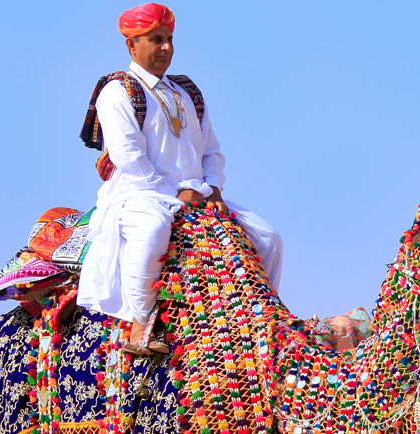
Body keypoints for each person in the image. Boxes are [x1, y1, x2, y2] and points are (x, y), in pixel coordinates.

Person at [77, 3, 284, 355]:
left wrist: (213, 187)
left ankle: (264, 320)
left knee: (267, 237)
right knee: (154, 230)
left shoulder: (187, 92)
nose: (166, 48)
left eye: (169, 39)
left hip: (198, 195)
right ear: (132, 45)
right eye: (156, 40)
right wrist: (176, 194)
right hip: (140, 195)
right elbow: (129, 158)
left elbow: (212, 150)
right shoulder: (117, 91)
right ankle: (140, 325)